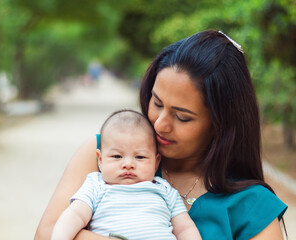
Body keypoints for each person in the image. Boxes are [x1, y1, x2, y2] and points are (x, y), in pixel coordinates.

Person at [35, 30, 288, 240]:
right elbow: (47, 233)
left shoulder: (253, 207)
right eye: (157, 103)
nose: (160, 124)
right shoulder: (108, 153)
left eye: (182, 117)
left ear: (221, 124)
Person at [51, 110, 201, 240]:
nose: (128, 164)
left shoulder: (165, 190)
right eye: (117, 156)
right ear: (100, 160)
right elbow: (75, 215)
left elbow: (185, 228)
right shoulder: (96, 186)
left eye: (140, 157)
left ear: (156, 162)